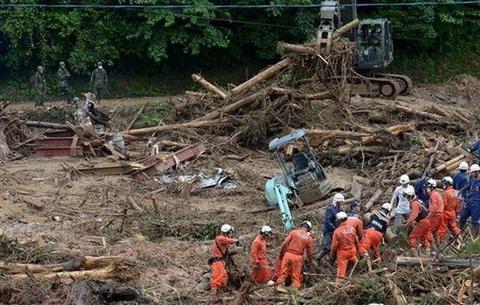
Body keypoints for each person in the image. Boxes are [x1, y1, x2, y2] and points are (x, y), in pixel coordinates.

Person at [276, 221, 313, 289]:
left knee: (283, 272)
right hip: (298, 257)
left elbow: (285, 243)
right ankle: (294, 289)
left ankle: (280, 286)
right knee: (296, 275)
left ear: (301, 226)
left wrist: (281, 253)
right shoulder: (309, 238)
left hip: (288, 254)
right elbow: (309, 252)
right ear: (309, 229)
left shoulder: (294, 232)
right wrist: (310, 261)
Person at [208, 224, 239, 296]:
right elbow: (228, 240)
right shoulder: (220, 238)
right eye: (229, 233)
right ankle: (213, 297)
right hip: (217, 261)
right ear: (227, 232)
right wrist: (236, 240)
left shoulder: (223, 240)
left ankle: (219, 295)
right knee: (216, 280)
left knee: (223, 278)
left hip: (221, 261)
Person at [331, 212, 359, 284]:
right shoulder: (352, 229)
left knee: (341, 271)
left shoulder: (337, 231)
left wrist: (332, 253)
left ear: (338, 221)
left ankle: (339, 284)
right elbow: (356, 241)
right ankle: (359, 275)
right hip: (352, 250)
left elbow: (334, 245)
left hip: (342, 253)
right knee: (357, 264)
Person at [404, 188, 432, 255]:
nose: (407, 199)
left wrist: (407, 223)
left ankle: (413, 252)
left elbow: (414, 215)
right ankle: (428, 251)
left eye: (407, 197)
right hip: (427, 220)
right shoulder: (419, 201)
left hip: (422, 222)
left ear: (410, 196)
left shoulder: (414, 203)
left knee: (412, 236)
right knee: (423, 237)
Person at [320, 193, 345, 259]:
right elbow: (327, 221)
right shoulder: (330, 209)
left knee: (337, 246)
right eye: (341, 202)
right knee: (327, 248)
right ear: (337, 201)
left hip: (337, 231)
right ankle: (318, 258)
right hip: (329, 231)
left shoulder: (341, 210)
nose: (342, 203)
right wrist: (334, 228)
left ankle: (332, 261)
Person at [460, 164, 480, 235]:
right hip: (469, 202)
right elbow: (468, 186)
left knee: (475, 221)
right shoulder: (472, 179)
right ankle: (462, 234)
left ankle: (476, 237)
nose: (471, 174)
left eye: (472, 172)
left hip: (477, 204)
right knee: (462, 218)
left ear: (477, 172)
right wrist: (461, 191)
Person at [438, 176, 461, 241]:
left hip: (445, 213)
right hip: (453, 212)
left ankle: (441, 242)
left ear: (447, 183)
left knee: (442, 228)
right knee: (454, 227)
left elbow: (443, 205)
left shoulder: (445, 193)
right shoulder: (455, 192)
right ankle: (460, 240)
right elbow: (458, 204)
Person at [426, 179, 444, 244]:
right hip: (440, 214)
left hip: (436, 215)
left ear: (431, 187)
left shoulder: (433, 195)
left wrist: (429, 215)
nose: (427, 189)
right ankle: (438, 244)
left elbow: (434, 207)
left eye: (428, 187)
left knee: (429, 230)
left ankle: (432, 247)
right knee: (436, 231)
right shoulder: (437, 194)